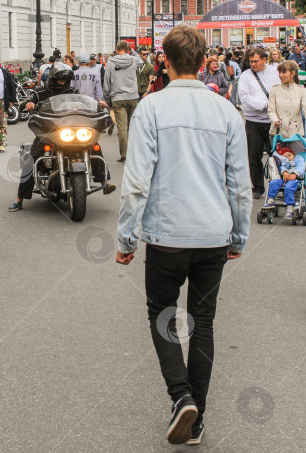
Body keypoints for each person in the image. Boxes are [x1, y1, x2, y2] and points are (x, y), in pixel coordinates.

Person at [116, 25, 251, 447]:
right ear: (204, 60)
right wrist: (239, 236)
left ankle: (181, 397)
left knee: (162, 314)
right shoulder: (227, 112)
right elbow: (239, 185)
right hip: (212, 234)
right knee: (204, 322)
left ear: (166, 61)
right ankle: (198, 417)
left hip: (166, 234)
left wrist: (125, 239)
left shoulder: (151, 108)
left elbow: (136, 181)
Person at [8, 63, 115, 211]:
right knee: (31, 158)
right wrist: (29, 103)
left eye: (65, 80)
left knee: (94, 146)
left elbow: (84, 101)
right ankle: (20, 198)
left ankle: (104, 182)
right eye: (60, 80)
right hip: (50, 133)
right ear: (53, 79)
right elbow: (29, 100)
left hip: (71, 131)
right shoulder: (41, 92)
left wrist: (97, 104)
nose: (63, 83)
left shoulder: (72, 91)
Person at [238, 47, 280, 198]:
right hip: (253, 121)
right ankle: (258, 187)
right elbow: (244, 97)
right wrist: (265, 104)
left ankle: (277, 183)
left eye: (256, 61)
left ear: (264, 60)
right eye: (251, 61)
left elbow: (279, 91)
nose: (253, 64)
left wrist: (274, 106)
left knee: (275, 154)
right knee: (254, 156)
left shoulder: (275, 72)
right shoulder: (245, 76)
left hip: (272, 121)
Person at [103, 40, 141, 162]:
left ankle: (124, 155)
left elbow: (107, 81)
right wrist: (132, 50)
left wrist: (107, 99)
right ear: (128, 49)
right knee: (133, 126)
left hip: (118, 98)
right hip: (132, 96)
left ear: (117, 49)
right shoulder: (134, 60)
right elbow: (143, 60)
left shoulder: (110, 62)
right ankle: (134, 152)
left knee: (122, 128)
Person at [262, 146, 305, 220]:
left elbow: (301, 167)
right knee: (273, 183)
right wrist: (284, 172)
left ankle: (290, 206)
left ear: (293, 154)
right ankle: (271, 199)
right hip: (284, 178)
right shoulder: (285, 162)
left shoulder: (298, 158)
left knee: (288, 188)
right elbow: (282, 167)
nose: (288, 158)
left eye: (289, 155)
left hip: (294, 179)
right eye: (285, 157)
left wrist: (294, 174)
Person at [268, 60, 306, 138]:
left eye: (284, 72)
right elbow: (271, 110)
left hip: (296, 133)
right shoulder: (274, 89)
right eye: (279, 72)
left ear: (293, 73)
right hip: (278, 133)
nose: (281, 75)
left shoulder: (301, 90)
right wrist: (275, 120)